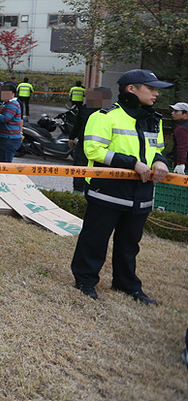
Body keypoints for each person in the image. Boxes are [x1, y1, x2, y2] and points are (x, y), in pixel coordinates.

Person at [70, 69, 171, 303]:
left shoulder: (153, 120)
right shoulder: (104, 116)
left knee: (129, 245)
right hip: (108, 192)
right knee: (94, 240)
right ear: (131, 89)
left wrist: (160, 161)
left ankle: (126, 284)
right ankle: (85, 280)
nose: (156, 94)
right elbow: (93, 150)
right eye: (151, 88)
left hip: (141, 194)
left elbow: (157, 149)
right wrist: (132, 163)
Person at [68, 87, 112, 192]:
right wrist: (72, 137)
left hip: (87, 145)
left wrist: (72, 137)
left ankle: (78, 193)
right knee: (87, 170)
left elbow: (77, 124)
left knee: (80, 169)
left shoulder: (86, 108)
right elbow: (78, 124)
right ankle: (82, 192)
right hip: (99, 147)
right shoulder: (108, 111)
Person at [0, 83, 22, 162]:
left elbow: (4, 119)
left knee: (4, 163)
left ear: (12, 94)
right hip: (3, 137)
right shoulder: (6, 104)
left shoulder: (13, 104)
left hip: (9, 139)